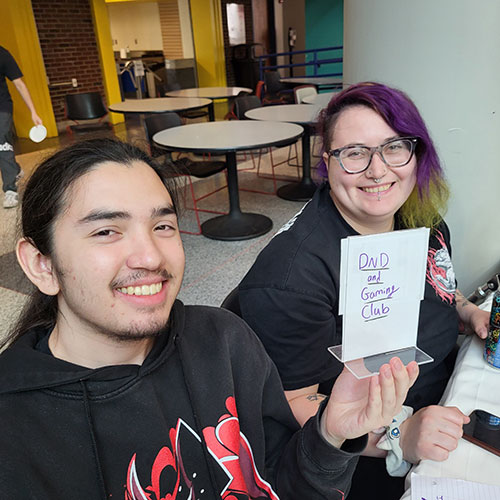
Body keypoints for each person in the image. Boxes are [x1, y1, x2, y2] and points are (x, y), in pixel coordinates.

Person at [0, 138, 418, 499]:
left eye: (162, 225)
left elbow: (280, 483)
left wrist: (329, 434)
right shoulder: (15, 428)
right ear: (41, 264)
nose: (150, 256)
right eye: (106, 231)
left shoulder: (224, 341)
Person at [234, 82, 490, 499]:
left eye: (394, 147)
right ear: (327, 163)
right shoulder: (291, 278)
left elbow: (439, 284)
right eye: (355, 153)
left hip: (443, 392)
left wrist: (466, 312)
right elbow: (292, 401)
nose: (378, 170)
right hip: (362, 449)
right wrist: (398, 437)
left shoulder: (419, 216)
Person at [0, 45, 43, 209]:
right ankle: (15, 169)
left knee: (2, 144)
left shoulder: (3, 54)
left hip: (1, 108)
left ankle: (10, 189)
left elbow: (19, 84)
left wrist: (33, 112)